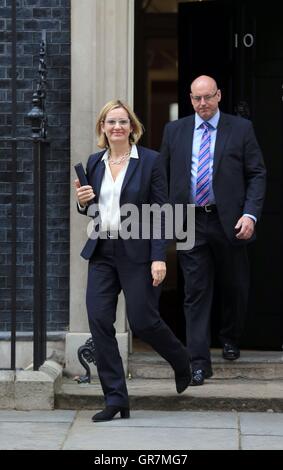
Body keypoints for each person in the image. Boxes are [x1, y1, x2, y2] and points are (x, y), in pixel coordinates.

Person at [74, 99, 191, 422]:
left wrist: (159, 257)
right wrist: (82, 203)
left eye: (123, 122)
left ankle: (181, 360)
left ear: (132, 127)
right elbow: (94, 209)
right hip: (102, 252)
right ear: (102, 127)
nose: (117, 127)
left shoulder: (150, 161)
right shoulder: (94, 163)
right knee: (99, 321)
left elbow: (161, 213)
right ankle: (116, 399)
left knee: (143, 321)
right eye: (111, 122)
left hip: (137, 253)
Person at [160, 75, 266, 386]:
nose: (202, 104)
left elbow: (257, 173)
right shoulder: (174, 131)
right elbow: (162, 176)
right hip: (191, 221)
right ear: (190, 99)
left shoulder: (240, 129)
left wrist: (250, 215)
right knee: (195, 291)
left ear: (218, 95)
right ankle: (198, 363)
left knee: (235, 285)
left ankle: (230, 337)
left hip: (230, 219)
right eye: (196, 99)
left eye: (208, 97)